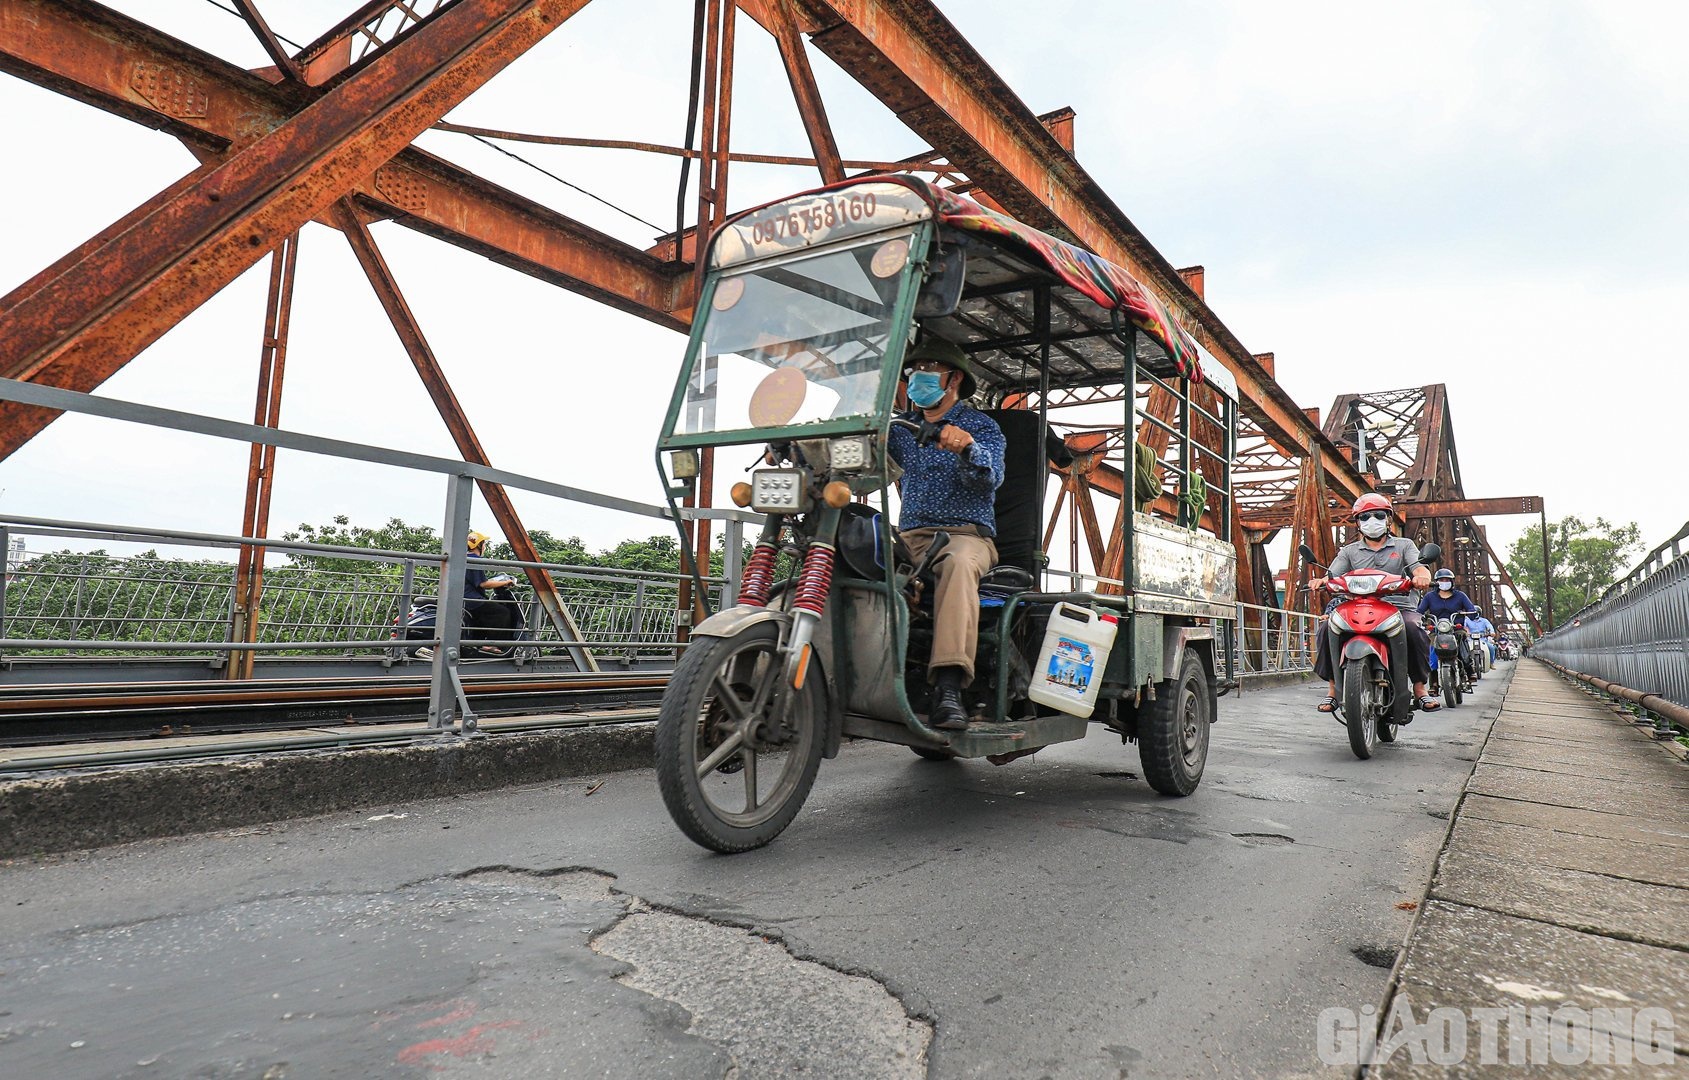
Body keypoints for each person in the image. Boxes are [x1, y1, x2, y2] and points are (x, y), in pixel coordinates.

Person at [887, 335, 1006, 730]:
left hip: (965, 536)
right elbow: (866, 460)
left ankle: (949, 688)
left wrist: (967, 448)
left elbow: (990, 479)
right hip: (910, 538)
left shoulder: (981, 427)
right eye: (910, 373)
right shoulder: (902, 429)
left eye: (924, 372)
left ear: (952, 379)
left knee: (957, 565)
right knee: (852, 551)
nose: (914, 379)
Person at [1311, 492, 1439, 717]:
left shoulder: (1404, 545)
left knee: (1414, 628)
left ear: (1388, 519)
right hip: (1359, 606)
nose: (1372, 521)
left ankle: (1420, 688)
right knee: (1326, 628)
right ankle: (1333, 690)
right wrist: (1322, 581)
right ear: (1358, 523)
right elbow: (1332, 574)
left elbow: (1418, 567)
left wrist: (1422, 575)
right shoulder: (1349, 551)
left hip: (1399, 607)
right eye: (1365, 517)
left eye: (1379, 515)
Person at [416, 530, 515, 660]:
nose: (485, 546)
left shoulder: (462, 558)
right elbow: (483, 584)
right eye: (484, 543)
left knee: (482, 615)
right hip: (471, 600)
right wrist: (506, 582)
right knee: (502, 612)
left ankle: (477, 644)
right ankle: (492, 644)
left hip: (461, 598)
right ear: (479, 545)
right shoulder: (475, 560)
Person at [1418, 568, 1477, 692]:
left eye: (1447, 580)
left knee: (1461, 640)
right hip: (1437, 629)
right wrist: (1419, 617)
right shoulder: (1430, 597)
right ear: (1436, 582)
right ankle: (1433, 683)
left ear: (1452, 582)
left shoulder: (1460, 596)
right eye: (1441, 580)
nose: (1444, 582)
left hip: (1456, 628)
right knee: (1432, 649)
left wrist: (1472, 612)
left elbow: (1471, 609)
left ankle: (1469, 669)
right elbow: (1420, 611)